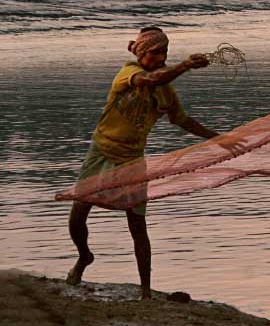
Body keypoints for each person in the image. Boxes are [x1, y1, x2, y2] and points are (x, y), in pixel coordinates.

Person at [66, 26, 223, 301]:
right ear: (141, 54)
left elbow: (183, 120)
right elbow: (149, 81)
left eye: (164, 52)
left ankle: (146, 292)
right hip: (102, 151)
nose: (160, 57)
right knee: (79, 212)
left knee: (137, 225)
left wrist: (220, 139)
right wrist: (185, 64)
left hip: (132, 159)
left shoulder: (166, 92)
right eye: (154, 52)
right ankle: (84, 257)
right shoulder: (127, 72)